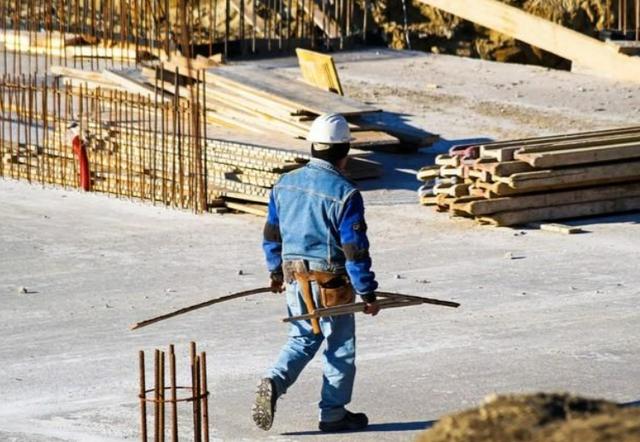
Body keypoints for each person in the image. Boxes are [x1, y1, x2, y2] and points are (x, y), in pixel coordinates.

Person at [252, 113, 380, 433]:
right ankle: (333, 414)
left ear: (312, 146)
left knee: (302, 338)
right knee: (340, 346)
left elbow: (272, 235)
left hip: (296, 277)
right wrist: (367, 292)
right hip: (332, 282)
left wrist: (275, 273)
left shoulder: (284, 183)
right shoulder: (345, 192)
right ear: (345, 152)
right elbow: (354, 249)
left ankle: (274, 380)